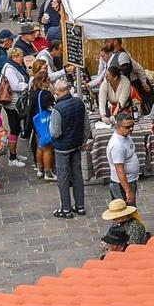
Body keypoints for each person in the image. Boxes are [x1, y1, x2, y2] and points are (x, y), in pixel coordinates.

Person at [49, 75, 88, 218]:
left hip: (62, 147)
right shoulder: (79, 103)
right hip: (76, 143)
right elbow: (86, 125)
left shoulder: (57, 109)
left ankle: (66, 209)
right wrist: (84, 140)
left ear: (58, 93)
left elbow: (55, 132)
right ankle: (80, 206)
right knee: (77, 174)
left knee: (63, 177)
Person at [105, 111, 138, 205]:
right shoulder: (117, 145)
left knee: (131, 211)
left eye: (132, 125)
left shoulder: (126, 136)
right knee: (124, 213)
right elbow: (119, 170)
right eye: (127, 127)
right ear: (118, 127)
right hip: (121, 185)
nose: (131, 129)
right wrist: (128, 191)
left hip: (130, 181)